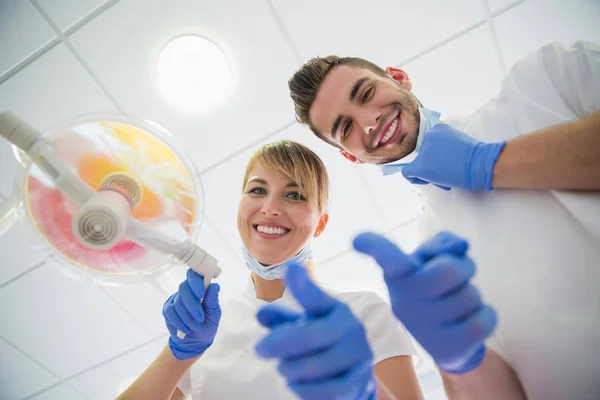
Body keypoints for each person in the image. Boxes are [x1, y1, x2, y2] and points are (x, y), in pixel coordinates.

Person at [286, 40, 600, 400]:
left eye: (367, 93)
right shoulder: (430, 265)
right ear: (352, 158)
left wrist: (488, 163)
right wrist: (459, 360)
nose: (369, 121)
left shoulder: (544, 78)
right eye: (346, 128)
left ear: (400, 78)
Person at [117, 140, 423, 399]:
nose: (270, 208)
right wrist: (178, 352)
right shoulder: (206, 331)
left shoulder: (363, 312)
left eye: (294, 195)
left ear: (321, 223)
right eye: (258, 190)